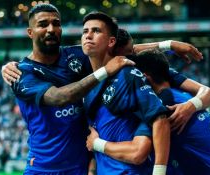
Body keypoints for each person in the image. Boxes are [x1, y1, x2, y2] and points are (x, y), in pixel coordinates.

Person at [9, 4, 135, 175]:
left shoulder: (74, 56)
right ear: (30, 32)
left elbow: (125, 53)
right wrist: (104, 71)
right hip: (43, 168)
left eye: (56, 23)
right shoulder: (21, 73)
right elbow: (59, 97)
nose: (51, 29)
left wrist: (169, 45)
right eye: (43, 24)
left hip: (80, 167)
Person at [88, 48, 210, 174]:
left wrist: (96, 143)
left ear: (144, 78)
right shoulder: (181, 96)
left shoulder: (165, 104)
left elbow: (137, 153)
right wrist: (167, 44)